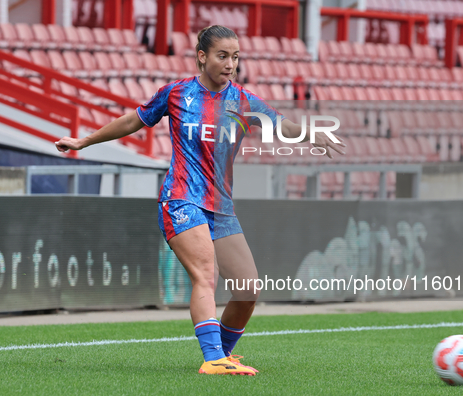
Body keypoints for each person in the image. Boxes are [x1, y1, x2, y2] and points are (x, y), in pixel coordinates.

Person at [55, 25, 345, 375]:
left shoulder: (243, 101)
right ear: (202, 56)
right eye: (223, 56)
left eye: (235, 57)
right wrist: (85, 141)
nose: (230, 64)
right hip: (181, 200)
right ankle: (213, 361)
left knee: (248, 288)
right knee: (206, 275)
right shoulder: (176, 94)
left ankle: (222, 353)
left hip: (221, 208)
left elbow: (279, 124)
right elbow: (135, 119)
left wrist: (312, 134)